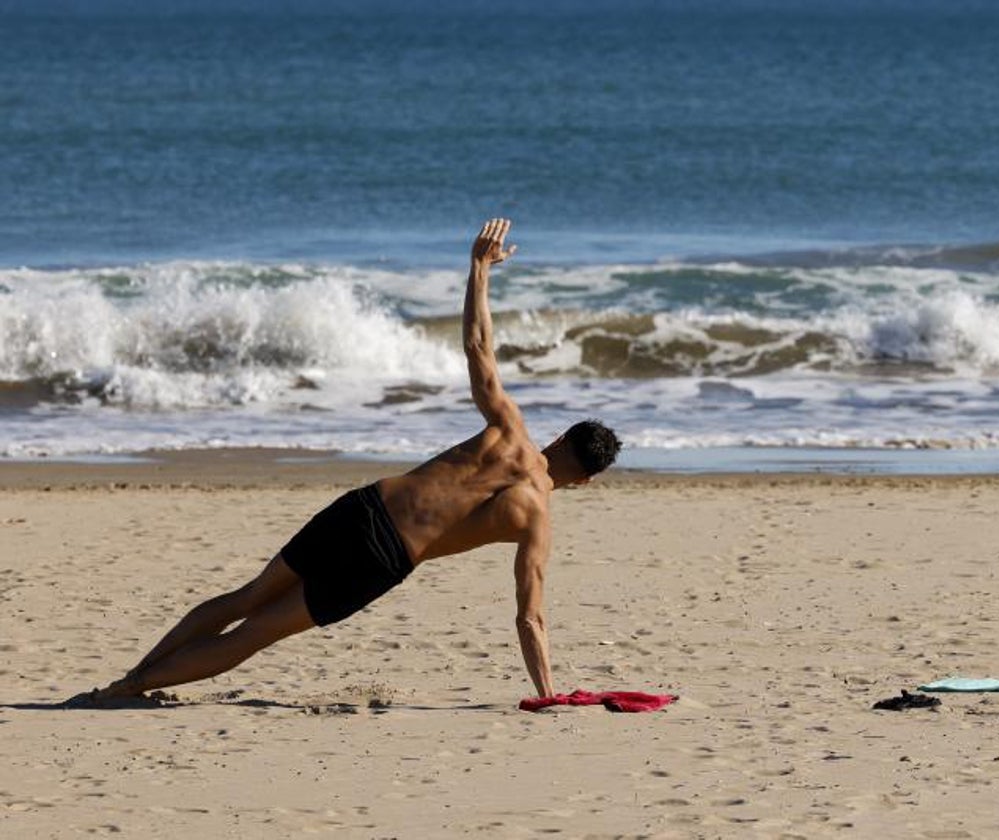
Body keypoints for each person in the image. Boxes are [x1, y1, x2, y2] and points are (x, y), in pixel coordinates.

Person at [73, 219, 621, 706]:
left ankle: (131, 677)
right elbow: (530, 616)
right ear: (588, 480)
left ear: (558, 437)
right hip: (383, 557)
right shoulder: (535, 519)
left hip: (364, 508)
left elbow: (479, 347)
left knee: (243, 599)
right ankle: (131, 689)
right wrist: (548, 694)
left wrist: (479, 266)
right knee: (252, 636)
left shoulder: (508, 429)